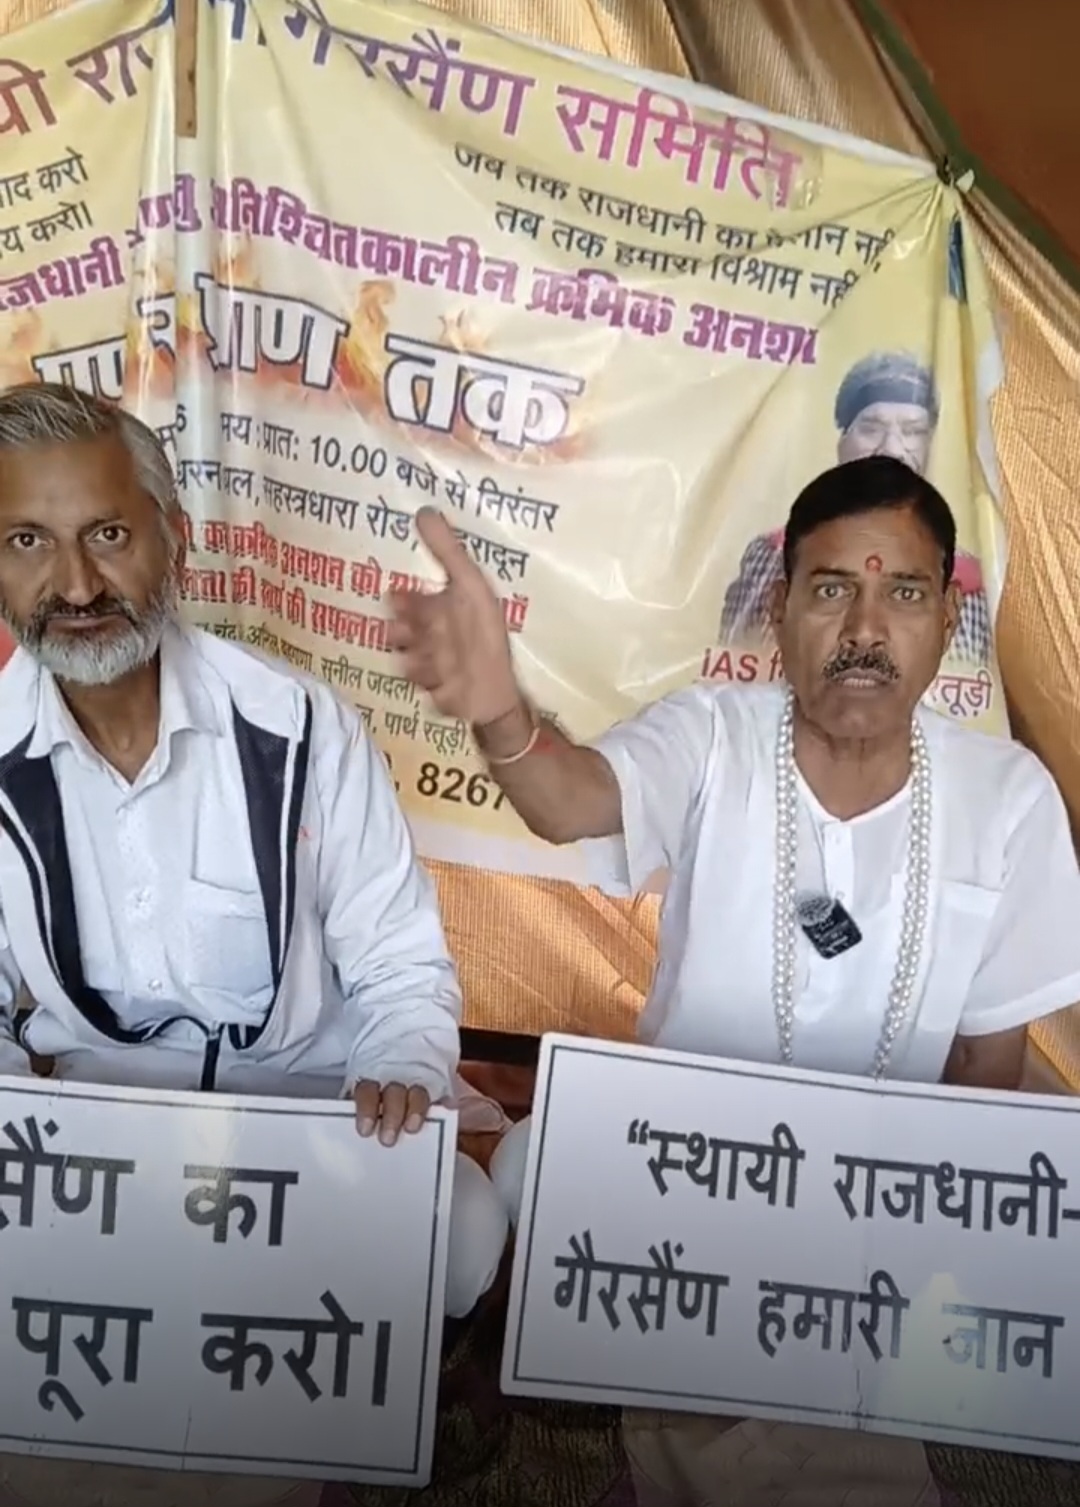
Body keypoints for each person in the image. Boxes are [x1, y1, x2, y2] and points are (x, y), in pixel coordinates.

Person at [389, 454, 1080, 1507]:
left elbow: (987, 1063)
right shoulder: (714, 736)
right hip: (688, 1181)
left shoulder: (1007, 798)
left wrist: (914, 1245)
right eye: (831, 588)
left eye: (903, 593)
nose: (865, 629)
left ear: (948, 617)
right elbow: (571, 799)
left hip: (878, 1211)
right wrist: (500, 714)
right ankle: (540, 1362)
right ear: (781, 608)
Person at [0, 384, 508, 1507]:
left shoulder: (299, 727)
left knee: (466, 1230)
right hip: (100, 1156)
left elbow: (401, 963)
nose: (74, 584)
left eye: (108, 534)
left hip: (298, 1133)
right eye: (27, 541)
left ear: (172, 539)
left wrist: (399, 1068)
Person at [720, 352, 992, 667]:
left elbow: (970, 681)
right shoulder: (771, 556)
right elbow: (733, 662)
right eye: (871, 427)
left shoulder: (969, 581)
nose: (892, 448)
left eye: (913, 431)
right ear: (842, 441)